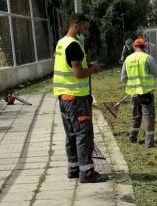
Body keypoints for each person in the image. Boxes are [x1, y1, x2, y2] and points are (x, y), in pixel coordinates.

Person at [53, 13, 107, 183]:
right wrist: (94, 69)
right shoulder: (74, 45)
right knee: (83, 135)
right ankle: (87, 172)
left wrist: (88, 65)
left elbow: (70, 66)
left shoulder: (61, 43)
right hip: (76, 99)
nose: (87, 31)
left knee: (71, 135)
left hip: (63, 97)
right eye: (85, 28)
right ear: (75, 25)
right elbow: (78, 73)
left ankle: (74, 168)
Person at [121, 38, 157, 148]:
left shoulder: (128, 59)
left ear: (134, 47)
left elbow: (123, 78)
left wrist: (133, 84)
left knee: (136, 116)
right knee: (148, 117)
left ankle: (132, 138)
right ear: (144, 47)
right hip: (146, 94)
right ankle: (149, 144)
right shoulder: (148, 58)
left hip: (133, 94)